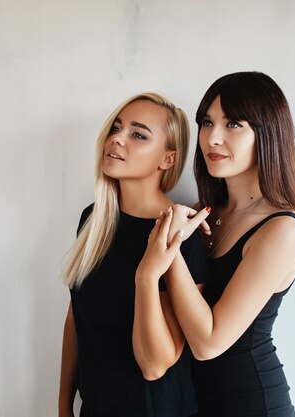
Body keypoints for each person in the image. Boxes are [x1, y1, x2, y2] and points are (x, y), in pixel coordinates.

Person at [138, 72, 295, 417]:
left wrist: (171, 252)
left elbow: (208, 343)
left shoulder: (281, 230)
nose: (212, 138)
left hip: (253, 404)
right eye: (207, 122)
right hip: (197, 404)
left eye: (233, 124)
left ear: (267, 133)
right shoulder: (205, 213)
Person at [58, 93, 209, 417]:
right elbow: (77, 317)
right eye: (116, 128)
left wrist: (146, 276)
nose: (117, 139)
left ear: (167, 159)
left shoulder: (179, 235)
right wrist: (63, 406)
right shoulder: (93, 220)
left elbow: (155, 365)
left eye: (137, 134)